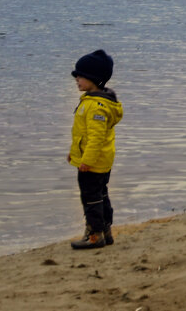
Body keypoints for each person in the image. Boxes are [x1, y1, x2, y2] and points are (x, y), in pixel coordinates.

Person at [68, 49, 123, 250]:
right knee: (101, 195)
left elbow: (96, 138)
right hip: (99, 160)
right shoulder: (93, 102)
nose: (77, 80)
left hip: (93, 163)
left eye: (80, 76)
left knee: (91, 198)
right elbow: (82, 135)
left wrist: (87, 161)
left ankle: (94, 234)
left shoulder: (96, 106)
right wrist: (74, 153)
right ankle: (105, 231)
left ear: (93, 79)